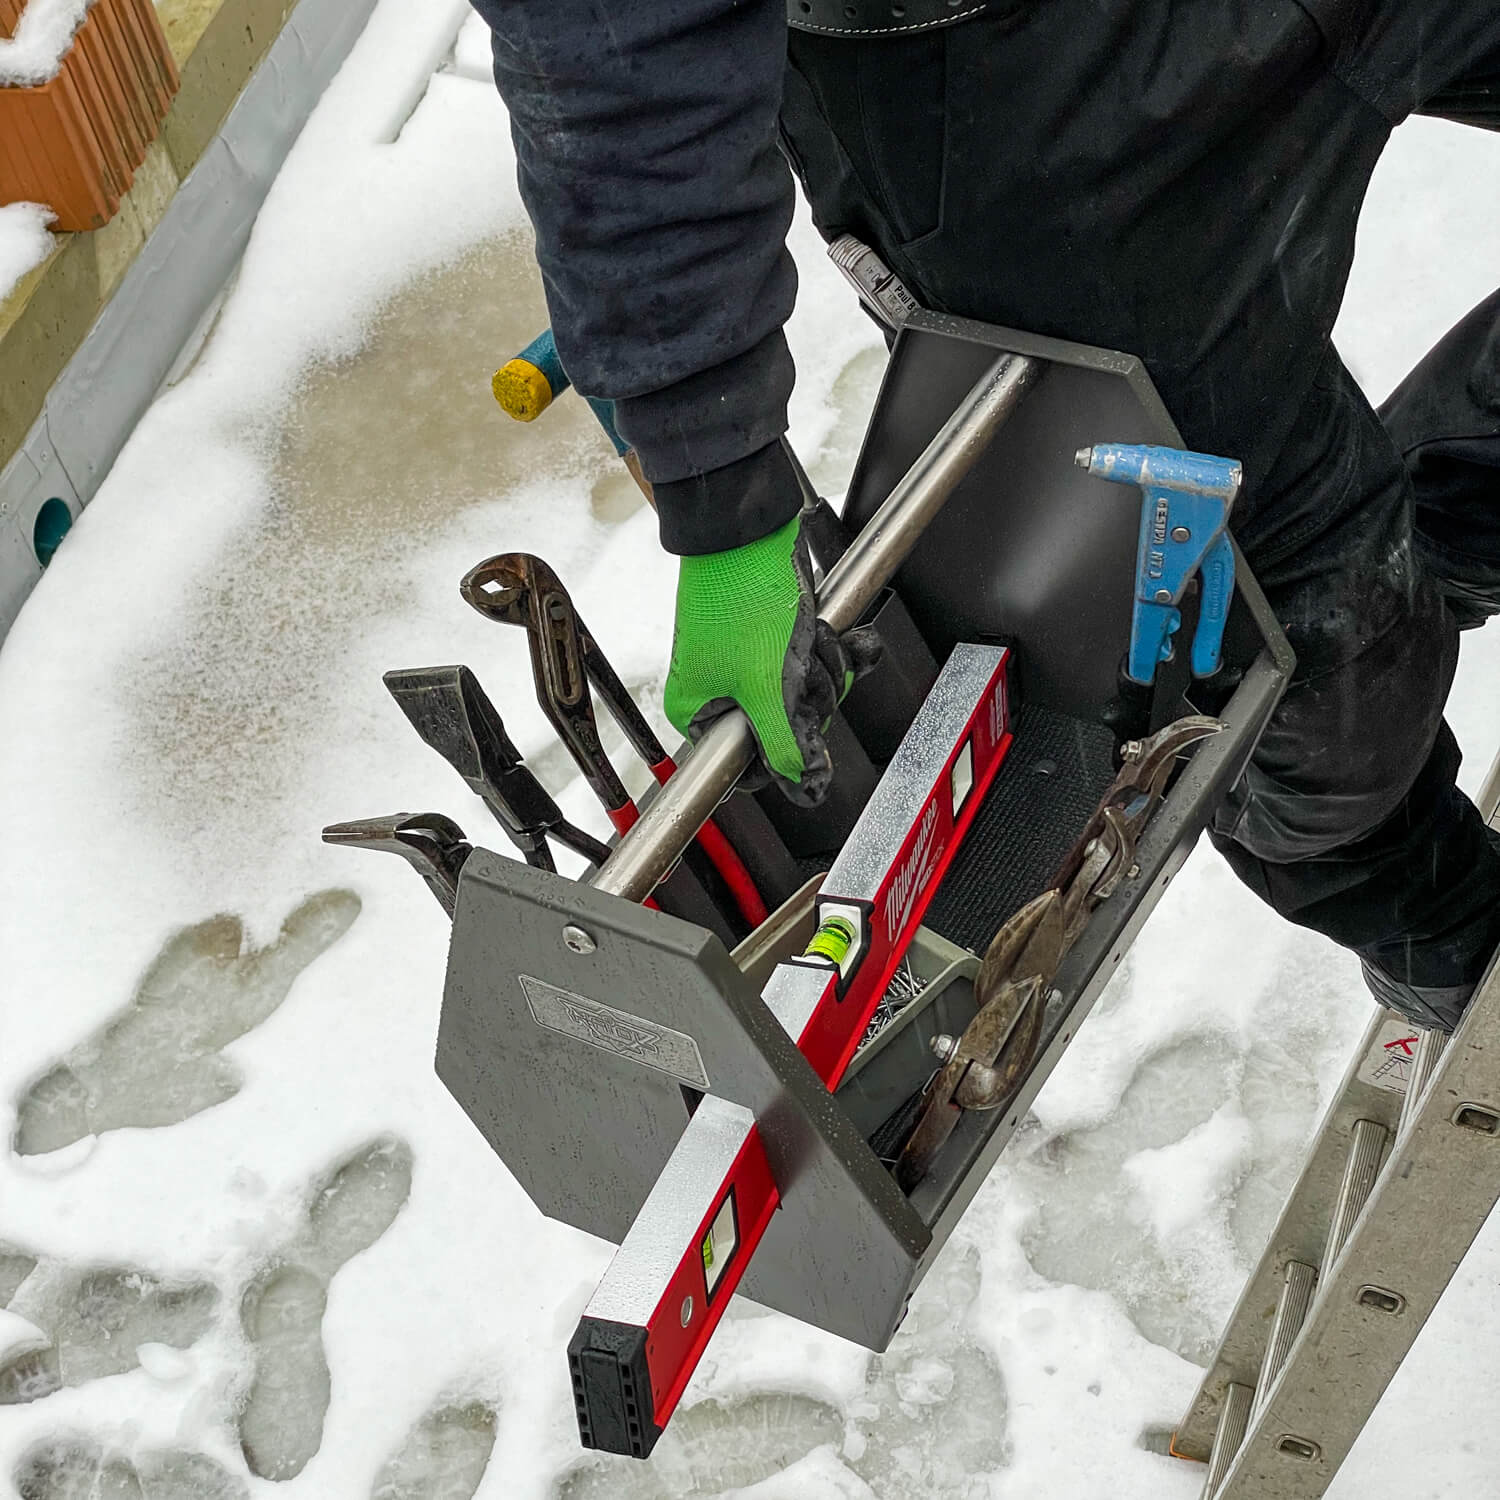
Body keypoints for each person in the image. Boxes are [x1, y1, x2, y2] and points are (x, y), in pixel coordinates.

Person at [470, 0, 1500, 1032]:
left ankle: (1419, 547)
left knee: (1324, 624)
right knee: (1300, 688)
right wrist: (724, 493)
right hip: (1014, 99)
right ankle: (1454, 936)